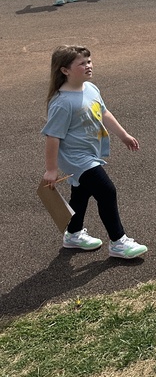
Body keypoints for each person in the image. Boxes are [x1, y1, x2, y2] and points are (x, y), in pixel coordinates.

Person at [41, 45, 148, 259]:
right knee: (106, 191)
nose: (88, 66)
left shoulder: (90, 88)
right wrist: (51, 170)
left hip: (90, 152)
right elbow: (53, 137)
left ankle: (73, 234)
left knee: (81, 194)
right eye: (82, 63)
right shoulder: (62, 103)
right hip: (76, 159)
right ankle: (118, 242)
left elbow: (104, 112)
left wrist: (123, 135)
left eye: (89, 61)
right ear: (65, 71)